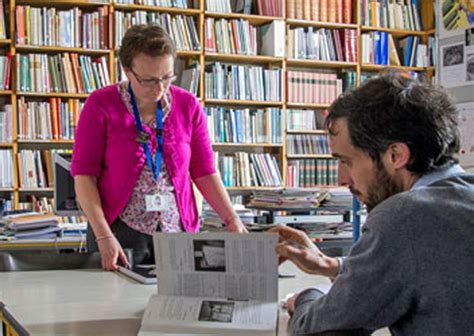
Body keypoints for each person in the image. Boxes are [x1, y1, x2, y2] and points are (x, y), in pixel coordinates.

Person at [270, 71, 474, 335]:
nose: (342, 178)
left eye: (347, 161)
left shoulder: (404, 215)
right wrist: (334, 266)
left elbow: (318, 330)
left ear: (395, 155)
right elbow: (421, 271)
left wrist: (303, 299)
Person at [71, 24, 247, 271]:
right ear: (127, 71)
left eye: (166, 77)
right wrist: (103, 235)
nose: (160, 88)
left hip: (177, 228)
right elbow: (84, 176)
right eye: (149, 80)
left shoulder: (188, 105)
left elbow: (205, 171)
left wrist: (231, 219)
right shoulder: (100, 104)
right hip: (119, 231)